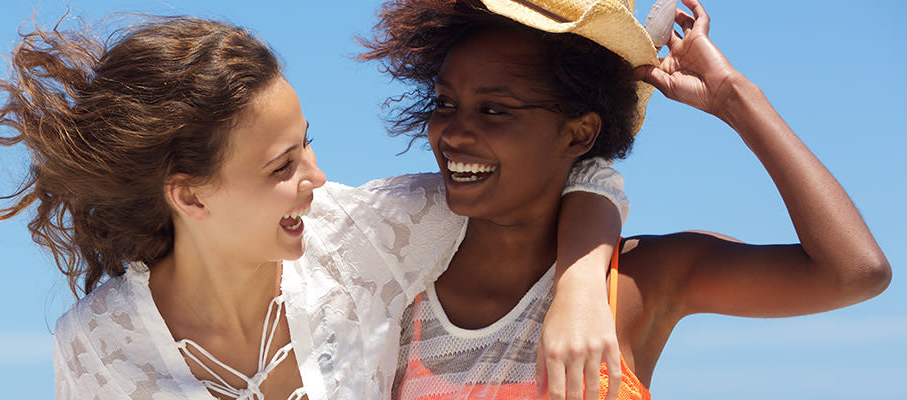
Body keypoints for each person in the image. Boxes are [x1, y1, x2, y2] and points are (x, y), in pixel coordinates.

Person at [0, 14, 629, 400]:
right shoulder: (95, 346)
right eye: (281, 166)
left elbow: (570, 172)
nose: (316, 179)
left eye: (307, 147)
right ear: (190, 193)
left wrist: (579, 293)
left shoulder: (366, 237)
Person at [357, 0, 892, 399]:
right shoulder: (396, 278)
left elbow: (855, 272)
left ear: (578, 134)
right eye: (446, 102)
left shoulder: (635, 284)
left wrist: (733, 96)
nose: (453, 133)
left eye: (495, 111)